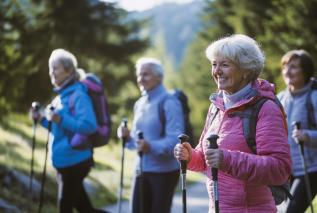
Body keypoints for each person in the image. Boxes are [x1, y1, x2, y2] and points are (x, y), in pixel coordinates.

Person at [174, 34, 292, 213]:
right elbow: (207, 162)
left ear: (245, 70)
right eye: (214, 64)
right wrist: (191, 156)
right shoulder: (216, 107)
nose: (217, 71)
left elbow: (279, 169)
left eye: (225, 64)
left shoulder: (265, 108)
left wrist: (227, 159)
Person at [30, 49, 108, 213]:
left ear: (69, 70)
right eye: (50, 68)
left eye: (56, 68)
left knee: (64, 207)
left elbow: (89, 125)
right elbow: (58, 128)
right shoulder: (60, 97)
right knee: (85, 209)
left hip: (76, 160)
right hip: (64, 161)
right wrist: (42, 120)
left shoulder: (78, 94)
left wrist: (61, 119)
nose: (52, 72)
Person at [117, 57, 184, 213]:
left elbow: (176, 139)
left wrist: (150, 146)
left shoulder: (169, 102)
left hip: (164, 172)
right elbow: (136, 140)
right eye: (139, 75)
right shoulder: (139, 103)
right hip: (141, 169)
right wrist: (127, 137)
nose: (141, 79)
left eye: (146, 74)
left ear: (159, 77)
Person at [277, 49, 317, 213]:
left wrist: (307, 135)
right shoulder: (280, 98)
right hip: (286, 171)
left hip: (310, 169)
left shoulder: (314, 97)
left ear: (305, 71)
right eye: (285, 66)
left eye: (293, 67)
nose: (287, 71)